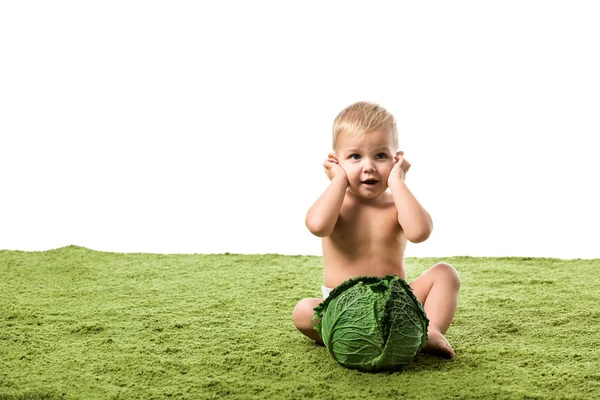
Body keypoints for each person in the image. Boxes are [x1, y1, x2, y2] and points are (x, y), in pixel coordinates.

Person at [292, 101, 460, 358]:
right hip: (343, 307)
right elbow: (317, 226)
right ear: (335, 162)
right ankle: (352, 334)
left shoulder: (397, 204)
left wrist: (398, 182)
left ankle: (431, 331)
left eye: (380, 156)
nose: (368, 166)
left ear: (396, 160)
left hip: (396, 304)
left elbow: (420, 232)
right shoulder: (336, 204)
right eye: (355, 157)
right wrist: (338, 181)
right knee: (303, 312)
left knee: (445, 274)